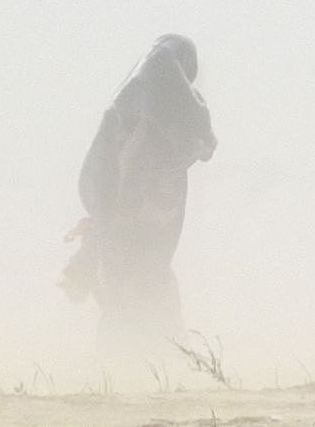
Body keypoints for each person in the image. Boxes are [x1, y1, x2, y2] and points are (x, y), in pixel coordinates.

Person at [67, 34, 214, 349]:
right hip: (133, 223)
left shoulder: (142, 108)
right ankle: (141, 364)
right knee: (136, 288)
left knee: (137, 287)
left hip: (133, 223)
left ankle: (150, 363)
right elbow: (134, 164)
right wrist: (124, 212)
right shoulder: (150, 117)